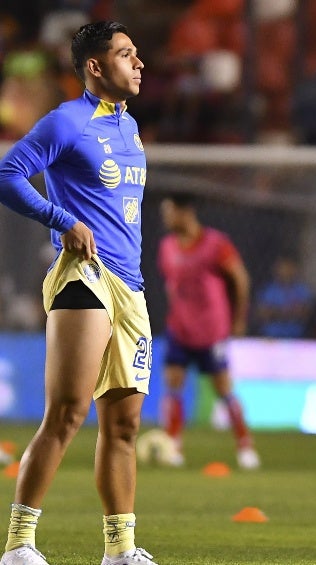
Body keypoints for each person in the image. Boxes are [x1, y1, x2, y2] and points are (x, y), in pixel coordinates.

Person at [0, 21, 158, 565]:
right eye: (125, 55)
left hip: (130, 287)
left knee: (125, 425)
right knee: (67, 412)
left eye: (137, 54)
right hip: (84, 274)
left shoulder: (129, 126)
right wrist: (59, 217)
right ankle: (19, 543)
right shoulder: (67, 121)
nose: (138, 63)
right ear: (96, 67)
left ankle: (120, 550)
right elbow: (8, 173)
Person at [156, 192, 259, 470]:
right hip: (179, 328)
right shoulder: (167, 246)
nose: (165, 218)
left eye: (169, 211)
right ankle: (173, 446)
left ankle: (245, 446)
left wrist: (239, 319)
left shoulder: (216, 244)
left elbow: (240, 279)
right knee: (173, 385)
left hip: (211, 331)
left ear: (184, 212)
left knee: (223, 388)